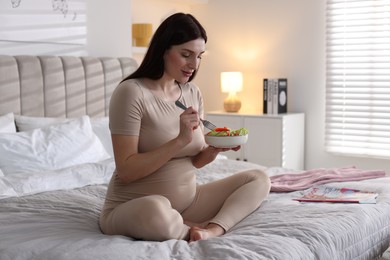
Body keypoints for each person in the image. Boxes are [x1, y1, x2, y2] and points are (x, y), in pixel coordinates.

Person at [99, 12, 271, 242]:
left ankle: (210, 231)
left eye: (199, 56)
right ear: (163, 49)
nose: (194, 64)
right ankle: (184, 229)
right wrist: (180, 140)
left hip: (189, 203)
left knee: (259, 178)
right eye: (186, 55)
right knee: (157, 208)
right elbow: (127, 171)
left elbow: (194, 161)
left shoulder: (192, 92)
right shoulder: (131, 92)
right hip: (136, 207)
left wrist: (213, 150)